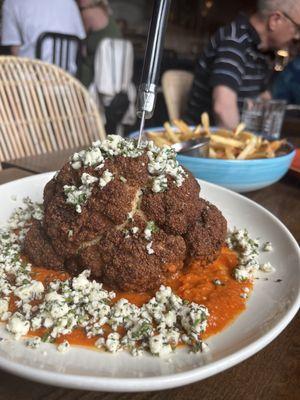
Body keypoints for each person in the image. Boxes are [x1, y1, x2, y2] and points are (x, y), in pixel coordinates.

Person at [185, 0, 300, 129]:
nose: (297, 36)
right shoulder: (235, 40)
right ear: (275, 20)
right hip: (204, 141)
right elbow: (223, 109)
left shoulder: (262, 50)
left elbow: (258, 101)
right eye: (297, 28)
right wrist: (244, 145)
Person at [1, 0, 86, 74]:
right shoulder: (69, 3)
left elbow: (14, 51)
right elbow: (82, 49)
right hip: (69, 80)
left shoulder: (12, 2)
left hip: (32, 83)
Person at [77, 0, 121, 88]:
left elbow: (78, 36)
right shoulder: (105, 9)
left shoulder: (87, 13)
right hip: (114, 64)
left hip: (98, 67)